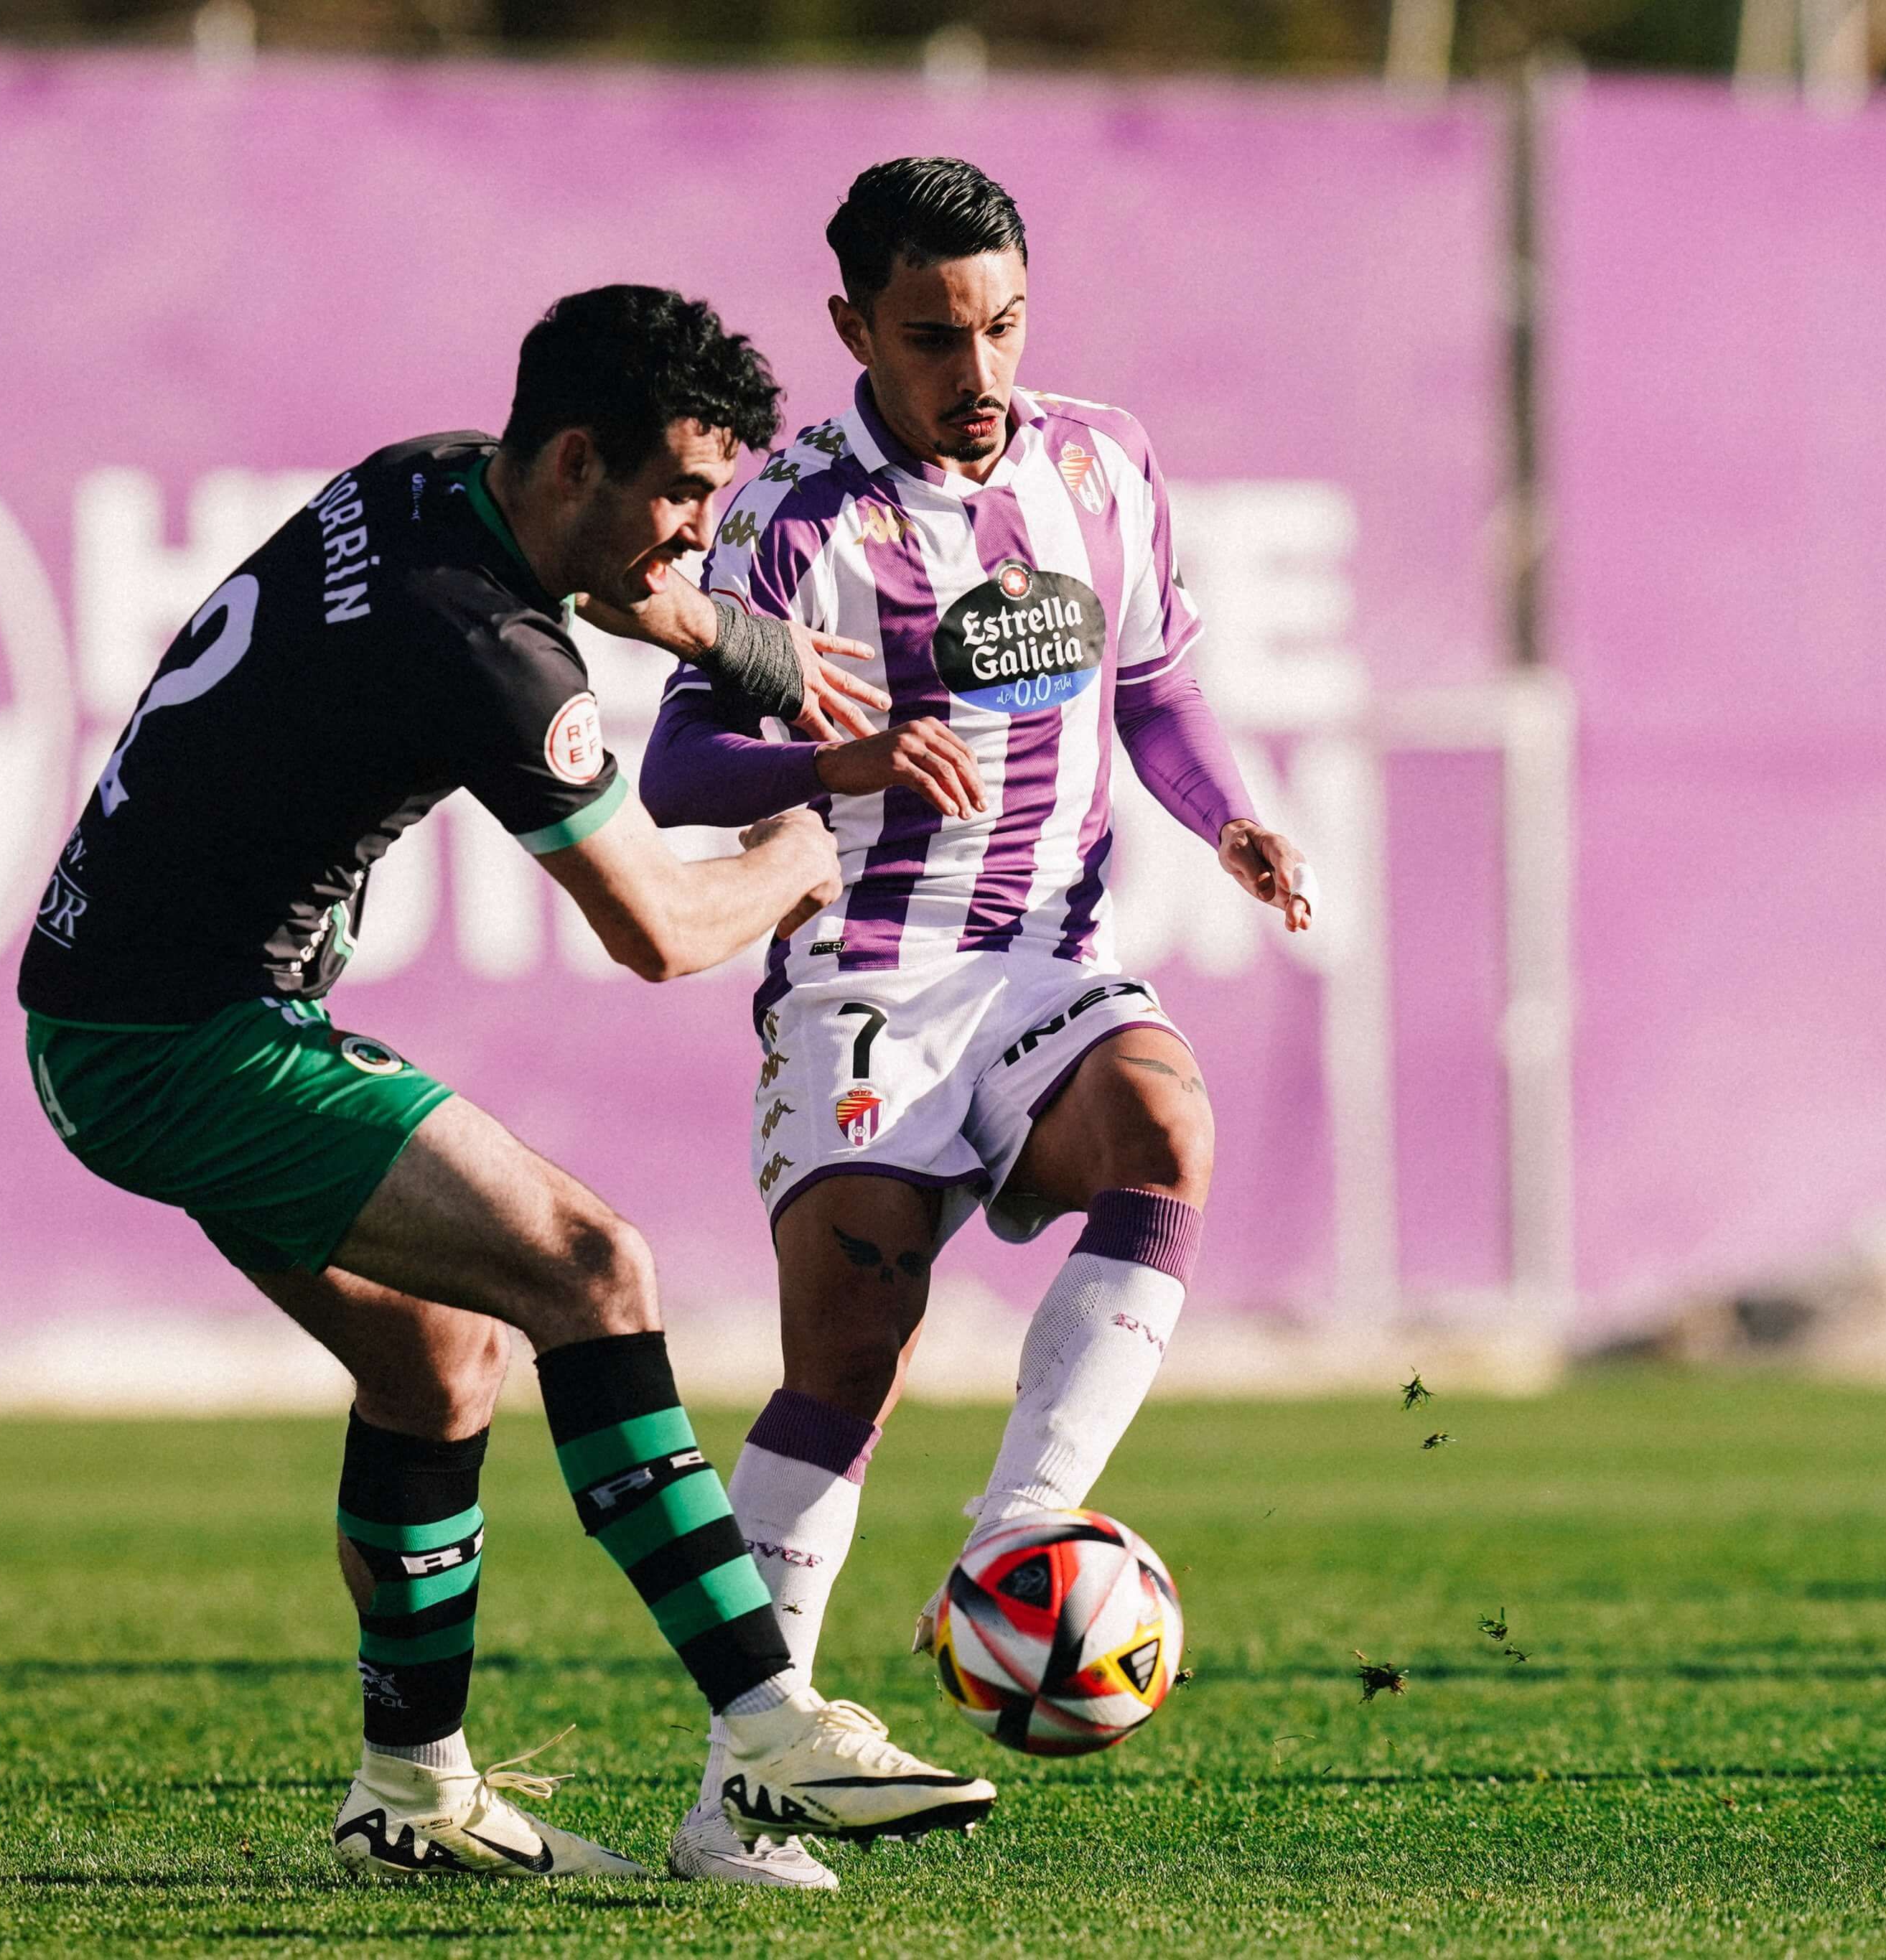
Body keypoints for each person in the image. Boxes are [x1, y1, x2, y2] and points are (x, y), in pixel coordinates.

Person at [17, 284, 994, 1877]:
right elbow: (663, 932)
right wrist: (797, 840)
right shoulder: (480, 649)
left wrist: (745, 644)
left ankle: (408, 1796)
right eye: (676, 496)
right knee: (590, 1269)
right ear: (570, 463)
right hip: (182, 1042)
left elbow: (636, 600)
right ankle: (769, 1728)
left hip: (123, 1012)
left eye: (714, 500)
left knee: (441, 1371)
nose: (691, 535)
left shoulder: (431, 477)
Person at [638, 158, 1310, 1887]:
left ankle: (1023, 1525)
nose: (980, 366)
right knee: (845, 1364)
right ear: (853, 325)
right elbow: (680, 762)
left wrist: (1223, 811)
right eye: (936, 335)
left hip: (1039, 950)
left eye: (1004, 321)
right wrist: (844, 756)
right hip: (860, 970)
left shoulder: (1102, 459)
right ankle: (736, 1789)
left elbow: (1152, 679)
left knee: (1164, 1129)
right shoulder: (792, 516)